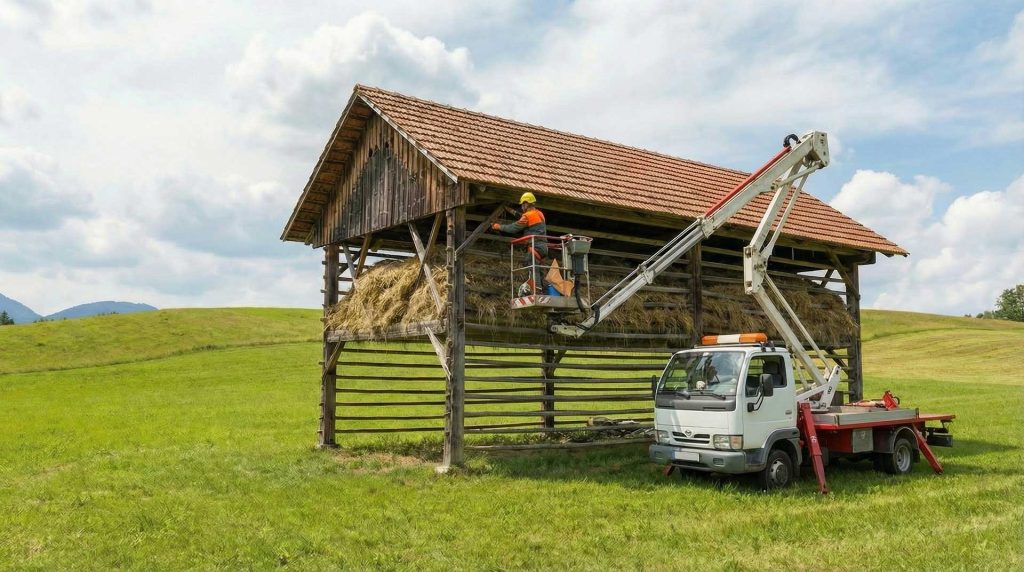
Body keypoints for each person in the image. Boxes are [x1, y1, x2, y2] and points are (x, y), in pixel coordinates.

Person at [491, 192, 548, 296]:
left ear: (526, 204)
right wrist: (512, 211)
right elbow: (524, 218)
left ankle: (537, 290)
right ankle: (543, 289)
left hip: (535, 246)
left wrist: (499, 227)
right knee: (538, 269)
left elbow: (514, 228)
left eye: (522, 204)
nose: (522, 206)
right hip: (543, 247)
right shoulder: (539, 214)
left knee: (532, 266)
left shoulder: (528, 216)